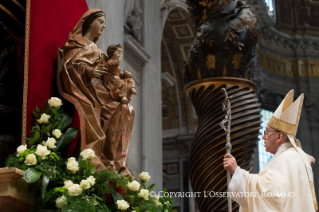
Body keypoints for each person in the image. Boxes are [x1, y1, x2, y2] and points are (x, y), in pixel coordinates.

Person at [59, 9, 135, 176]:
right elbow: (70, 66)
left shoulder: (99, 52)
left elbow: (110, 75)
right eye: (100, 22)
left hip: (102, 92)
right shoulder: (76, 44)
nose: (104, 26)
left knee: (126, 110)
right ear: (88, 22)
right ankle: (96, 156)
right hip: (85, 92)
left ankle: (117, 162)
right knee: (101, 109)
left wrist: (123, 83)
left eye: (104, 23)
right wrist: (88, 71)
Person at [223, 90, 318, 212]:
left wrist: (237, 172)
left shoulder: (287, 158)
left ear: (279, 136)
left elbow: (272, 197)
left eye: (267, 132)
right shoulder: (295, 158)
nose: (263, 136)